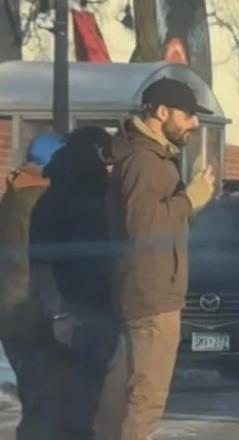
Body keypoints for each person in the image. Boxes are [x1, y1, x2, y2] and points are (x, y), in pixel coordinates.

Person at [94, 77, 215, 440]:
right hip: (152, 296)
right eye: (188, 114)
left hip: (143, 291)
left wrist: (187, 203)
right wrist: (190, 199)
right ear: (162, 113)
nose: (195, 123)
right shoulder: (145, 161)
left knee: (120, 398)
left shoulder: (147, 157)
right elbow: (144, 227)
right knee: (146, 400)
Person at [29, 126, 117, 440]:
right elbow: (41, 263)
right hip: (74, 314)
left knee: (90, 398)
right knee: (76, 400)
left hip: (98, 309)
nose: (112, 166)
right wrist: (59, 313)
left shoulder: (95, 195)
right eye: (109, 158)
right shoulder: (61, 200)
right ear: (96, 153)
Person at [0, 133, 65, 440]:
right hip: (34, 308)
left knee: (33, 391)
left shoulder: (15, 192)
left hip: (11, 308)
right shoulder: (42, 198)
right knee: (46, 395)